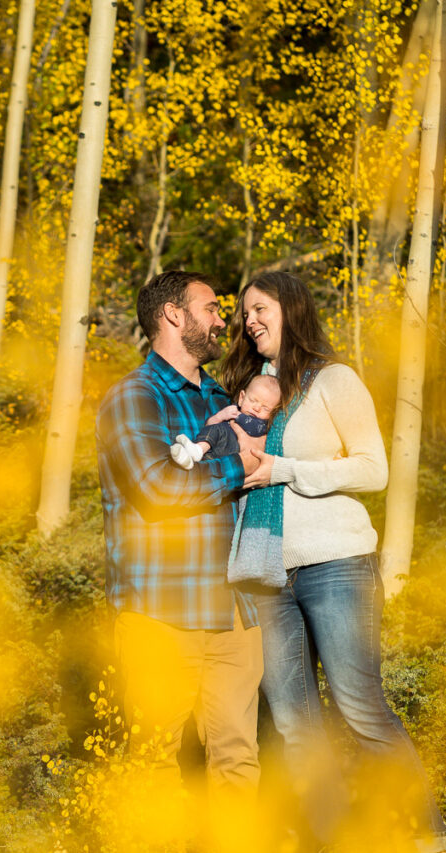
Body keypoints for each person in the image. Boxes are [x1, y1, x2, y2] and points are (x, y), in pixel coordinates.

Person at [221, 270, 446, 850]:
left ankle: (429, 837)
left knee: (359, 708)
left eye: (260, 308)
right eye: (244, 312)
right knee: (295, 723)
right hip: (265, 574)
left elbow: (374, 468)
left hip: (335, 565)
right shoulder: (250, 395)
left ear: (291, 309)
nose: (250, 320)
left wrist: (286, 470)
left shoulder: (333, 381)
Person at [95, 270, 264, 795]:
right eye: (212, 308)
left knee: (238, 760)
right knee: (152, 764)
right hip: (159, 614)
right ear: (173, 315)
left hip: (235, 615)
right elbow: (158, 489)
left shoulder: (225, 399)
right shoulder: (134, 397)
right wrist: (241, 466)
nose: (223, 319)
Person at [169, 374, 281, 468]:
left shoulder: (261, 424)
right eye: (252, 400)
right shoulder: (234, 408)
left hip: (233, 452)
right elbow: (208, 425)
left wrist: (237, 416)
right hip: (215, 450)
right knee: (215, 428)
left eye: (265, 408)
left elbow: (253, 429)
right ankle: (191, 455)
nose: (256, 408)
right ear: (241, 398)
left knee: (220, 429)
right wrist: (220, 416)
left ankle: (197, 451)